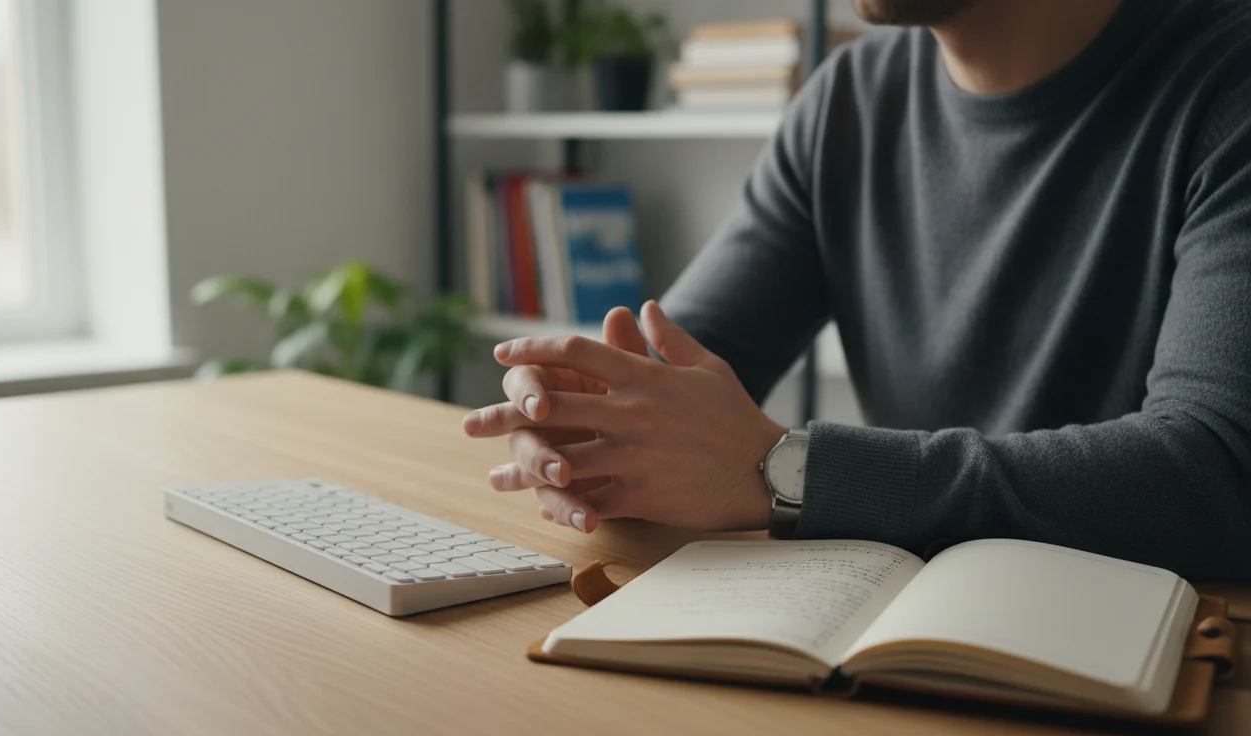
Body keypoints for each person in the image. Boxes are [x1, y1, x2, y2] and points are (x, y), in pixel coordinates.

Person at [462, 0, 1251, 581]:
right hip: (900, 641)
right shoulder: (847, 103)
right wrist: (590, 422)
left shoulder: (1227, 84)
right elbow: (671, 379)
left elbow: (1216, 475)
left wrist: (785, 470)